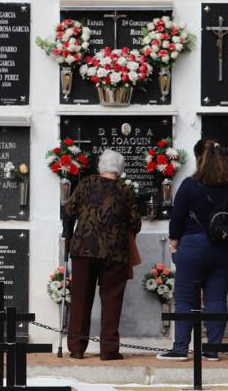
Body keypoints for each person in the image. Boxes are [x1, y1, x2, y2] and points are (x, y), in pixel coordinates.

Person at [157, 140, 228, 361]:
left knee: (186, 299)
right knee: (217, 298)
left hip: (194, 247)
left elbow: (176, 218)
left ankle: (180, 349)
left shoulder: (190, 185)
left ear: (199, 159)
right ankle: (212, 350)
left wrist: (175, 245)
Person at [63, 149, 141, 360]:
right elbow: (135, 223)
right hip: (114, 252)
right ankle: (108, 350)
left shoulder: (86, 184)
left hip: (83, 250)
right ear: (121, 170)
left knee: (80, 299)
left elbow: (69, 211)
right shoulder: (126, 190)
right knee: (111, 300)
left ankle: (77, 348)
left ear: (100, 167)